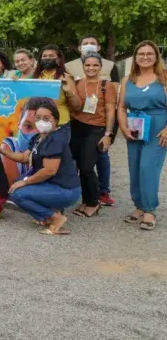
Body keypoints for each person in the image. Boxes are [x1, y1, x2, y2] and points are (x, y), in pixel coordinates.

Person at [0, 98, 80, 235]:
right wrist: (1, 150)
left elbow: (49, 170)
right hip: (52, 184)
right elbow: (25, 158)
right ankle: (48, 214)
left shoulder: (56, 139)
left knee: (17, 193)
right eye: (38, 118)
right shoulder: (38, 138)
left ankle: (55, 217)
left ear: (55, 120)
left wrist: (25, 182)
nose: (41, 121)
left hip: (66, 190)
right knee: (17, 182)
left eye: (46, 118)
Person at [117, 40, 167, 231]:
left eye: (149, 54)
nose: (145, 57)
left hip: (158, 129)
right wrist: (123, 128)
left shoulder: (164, 78)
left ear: (156, 57)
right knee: (135, 168)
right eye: (141, 54)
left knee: (148, 168)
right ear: (135, 58)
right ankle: (139, 206)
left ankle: (150, 210)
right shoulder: (127, 80)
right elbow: (121, 107)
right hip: (135, 127)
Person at [65, 35, 120, 207]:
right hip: (77, 126)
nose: (91, 68)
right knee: (76, 165)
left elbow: (111, 110)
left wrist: (108, 134)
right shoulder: (78, 83)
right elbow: (75, 106)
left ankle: (92, 202)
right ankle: (83, 198)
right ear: (83, 66)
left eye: (95, 65)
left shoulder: (107, 85)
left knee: (88, 167)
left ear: (100, 67)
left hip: (96, 129)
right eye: (87, 65)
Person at [34, 45, 80, 129]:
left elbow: (77, 106)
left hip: (60, 123)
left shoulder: (65, 78)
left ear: (58, 59)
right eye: (44, 56)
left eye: (51, 56)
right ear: (40, 60)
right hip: (38, 124)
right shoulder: (35, 78)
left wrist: (68, 91)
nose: (47, 58)